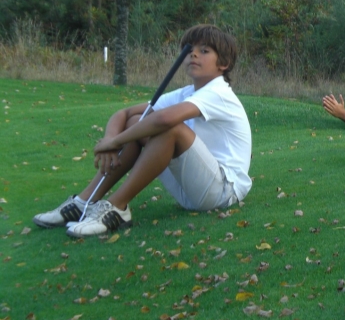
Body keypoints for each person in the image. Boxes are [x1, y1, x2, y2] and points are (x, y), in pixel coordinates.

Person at [33, 24, 253, 237]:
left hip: (223, 192)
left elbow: (165, 119)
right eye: (189, 50)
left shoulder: (218, 92)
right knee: (138, 121)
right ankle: (84, 201)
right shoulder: (187, 92)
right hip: (191, 190)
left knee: (169, 128)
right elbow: (125, 114)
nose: (193, 54)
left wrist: (115, 141)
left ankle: (117, 207)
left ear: (223, 63)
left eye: (204, 51)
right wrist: (112, 140)